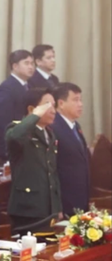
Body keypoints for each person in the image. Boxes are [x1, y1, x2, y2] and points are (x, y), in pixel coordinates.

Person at [5, 88, 61, 233]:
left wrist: (57, 207)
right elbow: (15, 137)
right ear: (32, 109)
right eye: (48, 105)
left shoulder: (49, 133)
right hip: (27, 208)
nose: (53, 110)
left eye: (54, 105)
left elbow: (52, 173)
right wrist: (34, 116)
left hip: (47, 207)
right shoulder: (18, 128)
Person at [52, 83, 90, 215]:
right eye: (75, 100)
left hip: (80, 196)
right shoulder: (54, 127)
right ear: (61, 103)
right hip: (65, 199)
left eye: (80, 99)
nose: (80, 104)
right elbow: (53, 168)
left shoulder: (75, 125)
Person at [0, 49, 35, 159]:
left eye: (32, 63)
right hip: (14, 144)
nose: (31, 67)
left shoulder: (30, 86)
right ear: (15, 66)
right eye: (26, 63)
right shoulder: (6, 88)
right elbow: (3, 121)